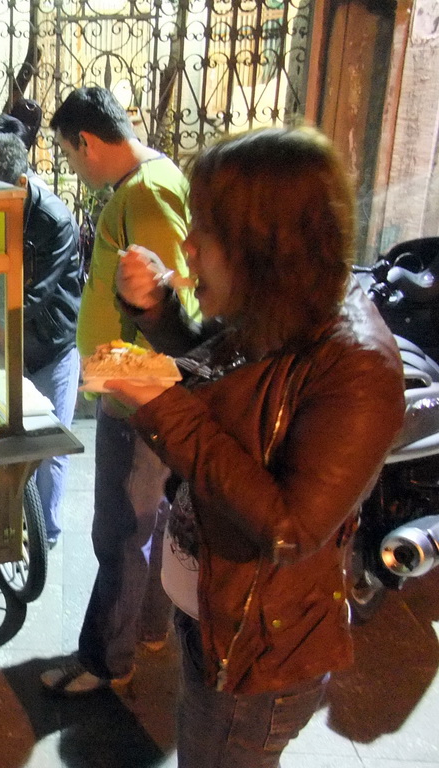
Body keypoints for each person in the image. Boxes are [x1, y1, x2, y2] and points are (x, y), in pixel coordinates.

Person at [106, 126, 405, 767]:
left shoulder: (358, 368)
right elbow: (224, 380)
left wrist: (160, 406)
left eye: (202, 233)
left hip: (257, 659)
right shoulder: (276, 307)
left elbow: (291, 527)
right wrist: (159, 309)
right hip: (214, 617)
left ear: (261, 249)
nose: (185, 246)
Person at [40, 86, 199, 695]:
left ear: (87, 141)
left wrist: (126, 376)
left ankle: (108, 659)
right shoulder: (146, 184)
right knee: (144, 520)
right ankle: (147, 627)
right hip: (136, 388)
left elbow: (172, 299)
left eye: (71, 155)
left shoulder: (147, 192)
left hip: (138, 394)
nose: (75, 170)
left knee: (119, 530)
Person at [0, 132, 83, 546]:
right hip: (5, 340)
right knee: (6, 441)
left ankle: (45, 536)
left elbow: (34, 297)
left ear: (19, 184)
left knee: (50, 445)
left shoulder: (54, 220)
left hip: (52, 345)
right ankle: (8, 522)